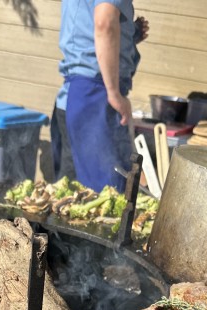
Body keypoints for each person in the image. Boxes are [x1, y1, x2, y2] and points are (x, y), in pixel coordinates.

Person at [52, 2, 148, 192]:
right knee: (104, 198)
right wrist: (113, 93)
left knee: (70, 197)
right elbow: (105, 24)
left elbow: (89, 28)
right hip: (95, 100)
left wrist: (128, 32)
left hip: (78, 97)